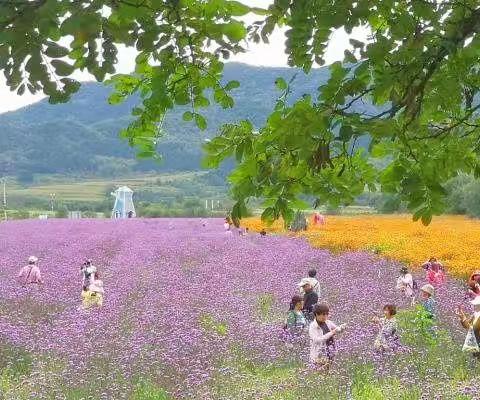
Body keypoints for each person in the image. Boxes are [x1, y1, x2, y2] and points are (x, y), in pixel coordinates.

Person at [309, 303, 346, 369]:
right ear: (317, 314)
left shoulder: (328, 322)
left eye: (327, 314)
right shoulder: (313, 326)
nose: (325, 316)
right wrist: (332, 332)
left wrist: (342, 327)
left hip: (330, 349)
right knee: (320, 372)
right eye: (323, 314)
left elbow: (337, 329)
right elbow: (317, 340)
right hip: (319, 353)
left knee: (328, 371)